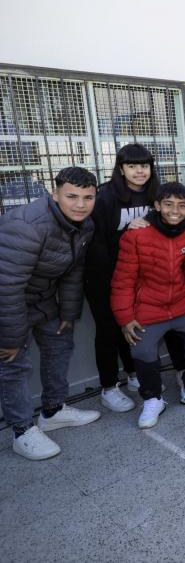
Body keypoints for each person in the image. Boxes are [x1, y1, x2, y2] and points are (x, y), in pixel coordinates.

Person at [0, 167, 101, 460]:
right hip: (8, 300)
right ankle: (22, 431)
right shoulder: (28, 225)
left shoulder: (85, 224)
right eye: (71, 196)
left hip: (41, 298)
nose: (80, 204)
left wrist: (68, 311)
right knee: (13, 363)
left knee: (59, 343)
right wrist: (10, 338)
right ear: (54, 194)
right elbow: (6, 288)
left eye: (88, 197)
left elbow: (73, 270)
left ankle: (53, 410)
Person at [111, 182, 185, 429]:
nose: (175, 211)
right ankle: (152, 398)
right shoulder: (136, 234)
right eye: (168, 204)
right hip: (148, 306)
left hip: (181, 302)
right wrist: (125, 318)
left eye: (181, 205)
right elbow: (122, 281)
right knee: (142, 351)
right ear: (157, 205)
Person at [85, 143, 160, 414]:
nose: (139, 171)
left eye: (144, 165)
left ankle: (132, 374)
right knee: (107, 330)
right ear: (121, 169)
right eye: (132, 166)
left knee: (133, 326)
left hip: (137, 276)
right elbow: (96, 242)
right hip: (103, 276)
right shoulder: (105, 197)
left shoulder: (154, 195)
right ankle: (108, 387)